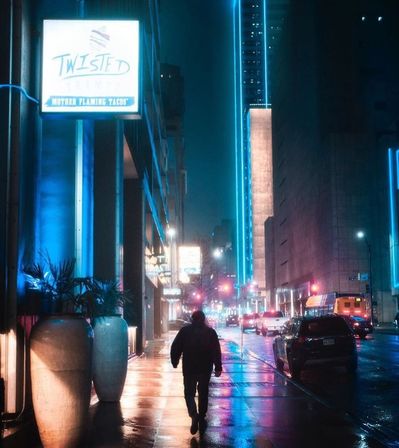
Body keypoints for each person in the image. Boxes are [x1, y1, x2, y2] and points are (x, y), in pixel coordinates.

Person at [170, 310, 222, 436]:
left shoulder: (185, 331)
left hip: (189, 368)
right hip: (205, 368)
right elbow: (216, 350)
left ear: (192, 319)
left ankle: (194, 414)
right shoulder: (210, 332)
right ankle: (202, 415)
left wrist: (175, 361)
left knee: (189, 393)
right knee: (203, 392)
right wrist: (218, 367)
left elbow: (175, 347)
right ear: (203, 319)